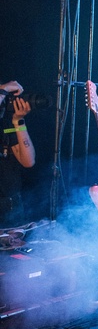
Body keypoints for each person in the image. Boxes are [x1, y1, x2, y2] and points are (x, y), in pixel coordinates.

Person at [0, 80, 36, 228]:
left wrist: (18, 122)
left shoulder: (6, 126)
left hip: (11, 207)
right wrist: (3, 90)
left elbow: (28, 161)